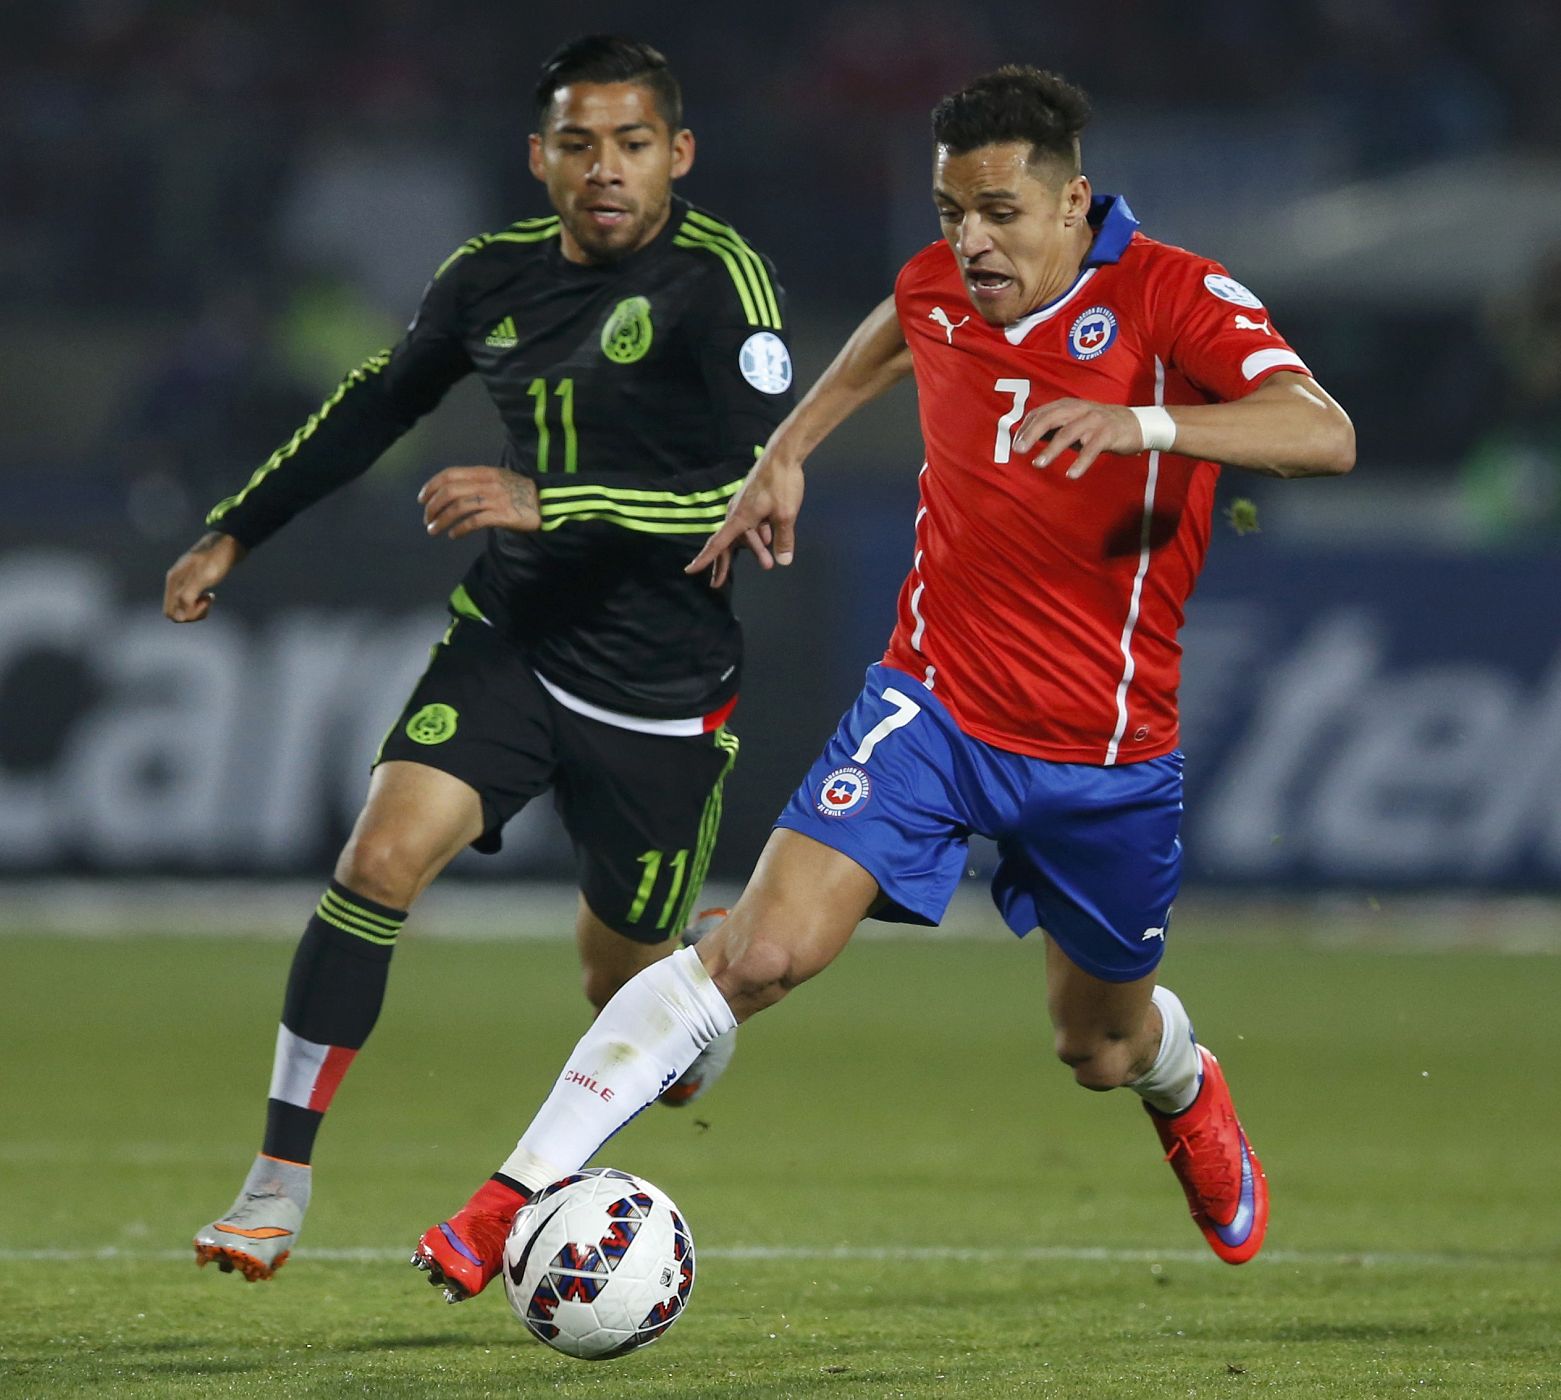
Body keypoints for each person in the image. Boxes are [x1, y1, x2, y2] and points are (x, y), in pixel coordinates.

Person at [416, 65, 1355, 1301]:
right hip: (933, 706)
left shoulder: (1173, 295)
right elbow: (888, 331)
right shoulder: (939, 284)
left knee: (1097, 1041)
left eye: (999, 213)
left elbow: (1321, 430)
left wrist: (1150, 427)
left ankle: (1181, 1075)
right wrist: (786, 450)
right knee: (759, 956)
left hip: (1105, 753)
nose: (968, 241)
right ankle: (505, 1201)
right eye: (950, 210)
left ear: (1075, 204)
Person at [164, 34, 795, 1288]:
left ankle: (683, 1004)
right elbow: (375, 402)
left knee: (618, 976)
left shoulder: (722, 282)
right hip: (512, 639)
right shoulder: (487, 277)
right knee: (378, 859)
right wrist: (239, 527)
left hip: (662, 690)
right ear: (538, 156)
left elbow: (750, 491)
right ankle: (276, 1180)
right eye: (576, 144)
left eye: (628, 144)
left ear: (675, 153)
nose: (602, 170)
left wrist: (548, 496)